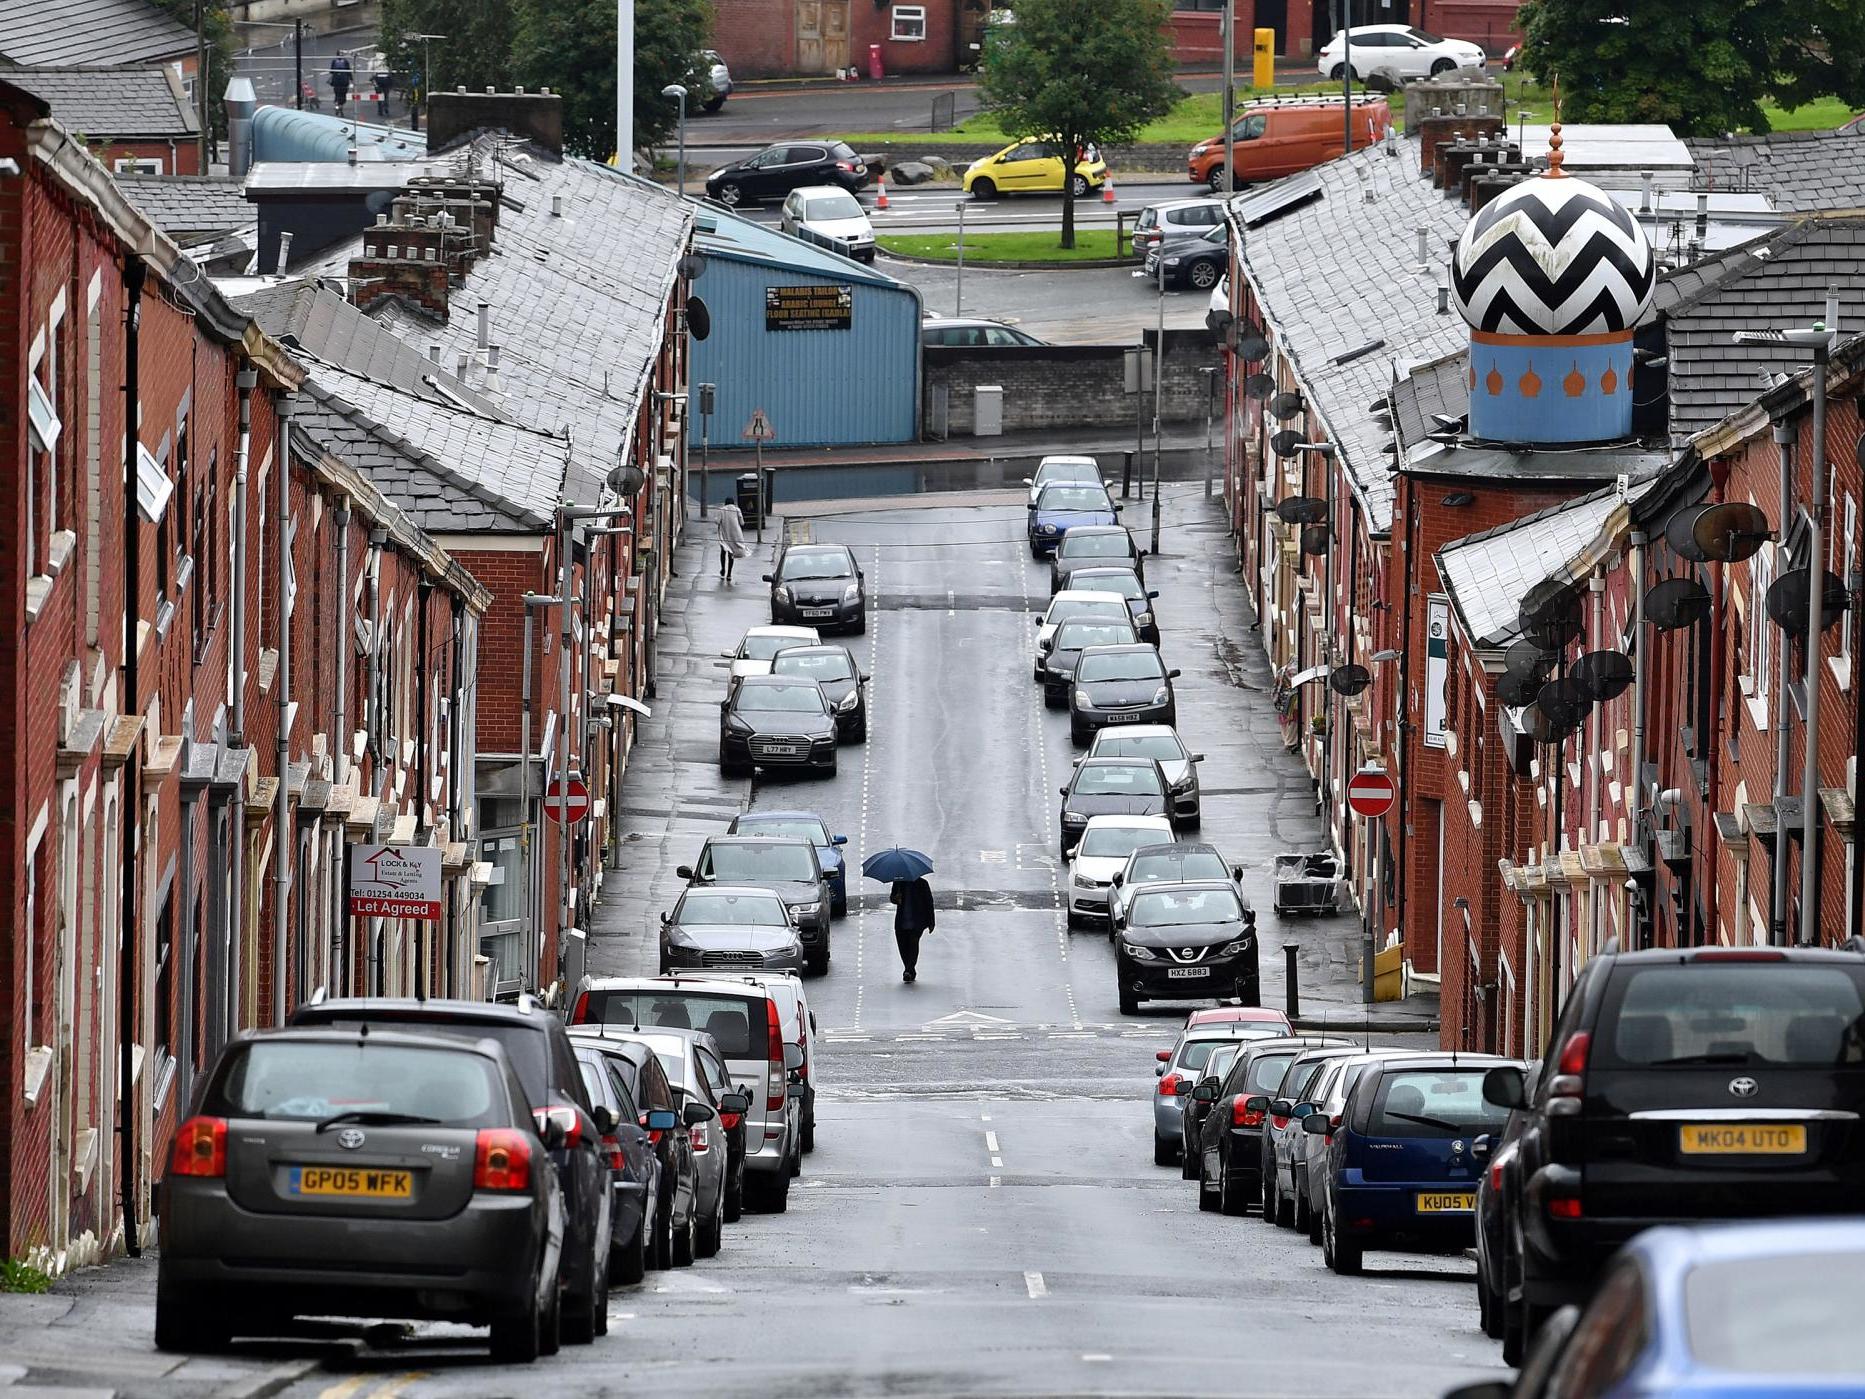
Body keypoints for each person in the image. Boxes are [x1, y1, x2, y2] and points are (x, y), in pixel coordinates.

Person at [891, 876, 934, 983]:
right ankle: (909, 969)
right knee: (903, 947)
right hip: (902, 921)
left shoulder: (922, 884)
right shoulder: (898, 883)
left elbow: (929, 903)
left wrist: (931, 922)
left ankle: (908, 970)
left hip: (917, 922)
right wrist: (895, 898)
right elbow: (892, 898)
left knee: (913, 942)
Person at [716, 496, 750, 581]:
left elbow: (717, 521)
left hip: (724, 534)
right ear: (733, 503)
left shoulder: (722, 510)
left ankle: (723, 568)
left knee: (723, 552)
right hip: (735, 535)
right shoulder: (737, 510)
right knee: (731, 554)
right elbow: (742, 523)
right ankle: (729, 574)